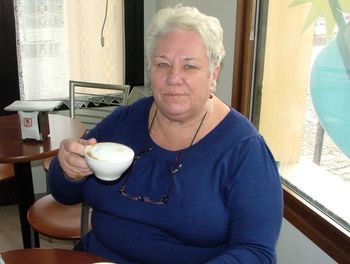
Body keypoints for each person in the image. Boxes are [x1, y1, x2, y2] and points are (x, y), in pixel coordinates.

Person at [48, 4, 283, 264]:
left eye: (190, 66)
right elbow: (63, 193)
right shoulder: (124, 121)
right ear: (151, 70)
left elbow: (256, 252)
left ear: (213, 73)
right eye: (162, 64)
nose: (173, 78)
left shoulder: (244, 150)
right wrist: (69, 170)